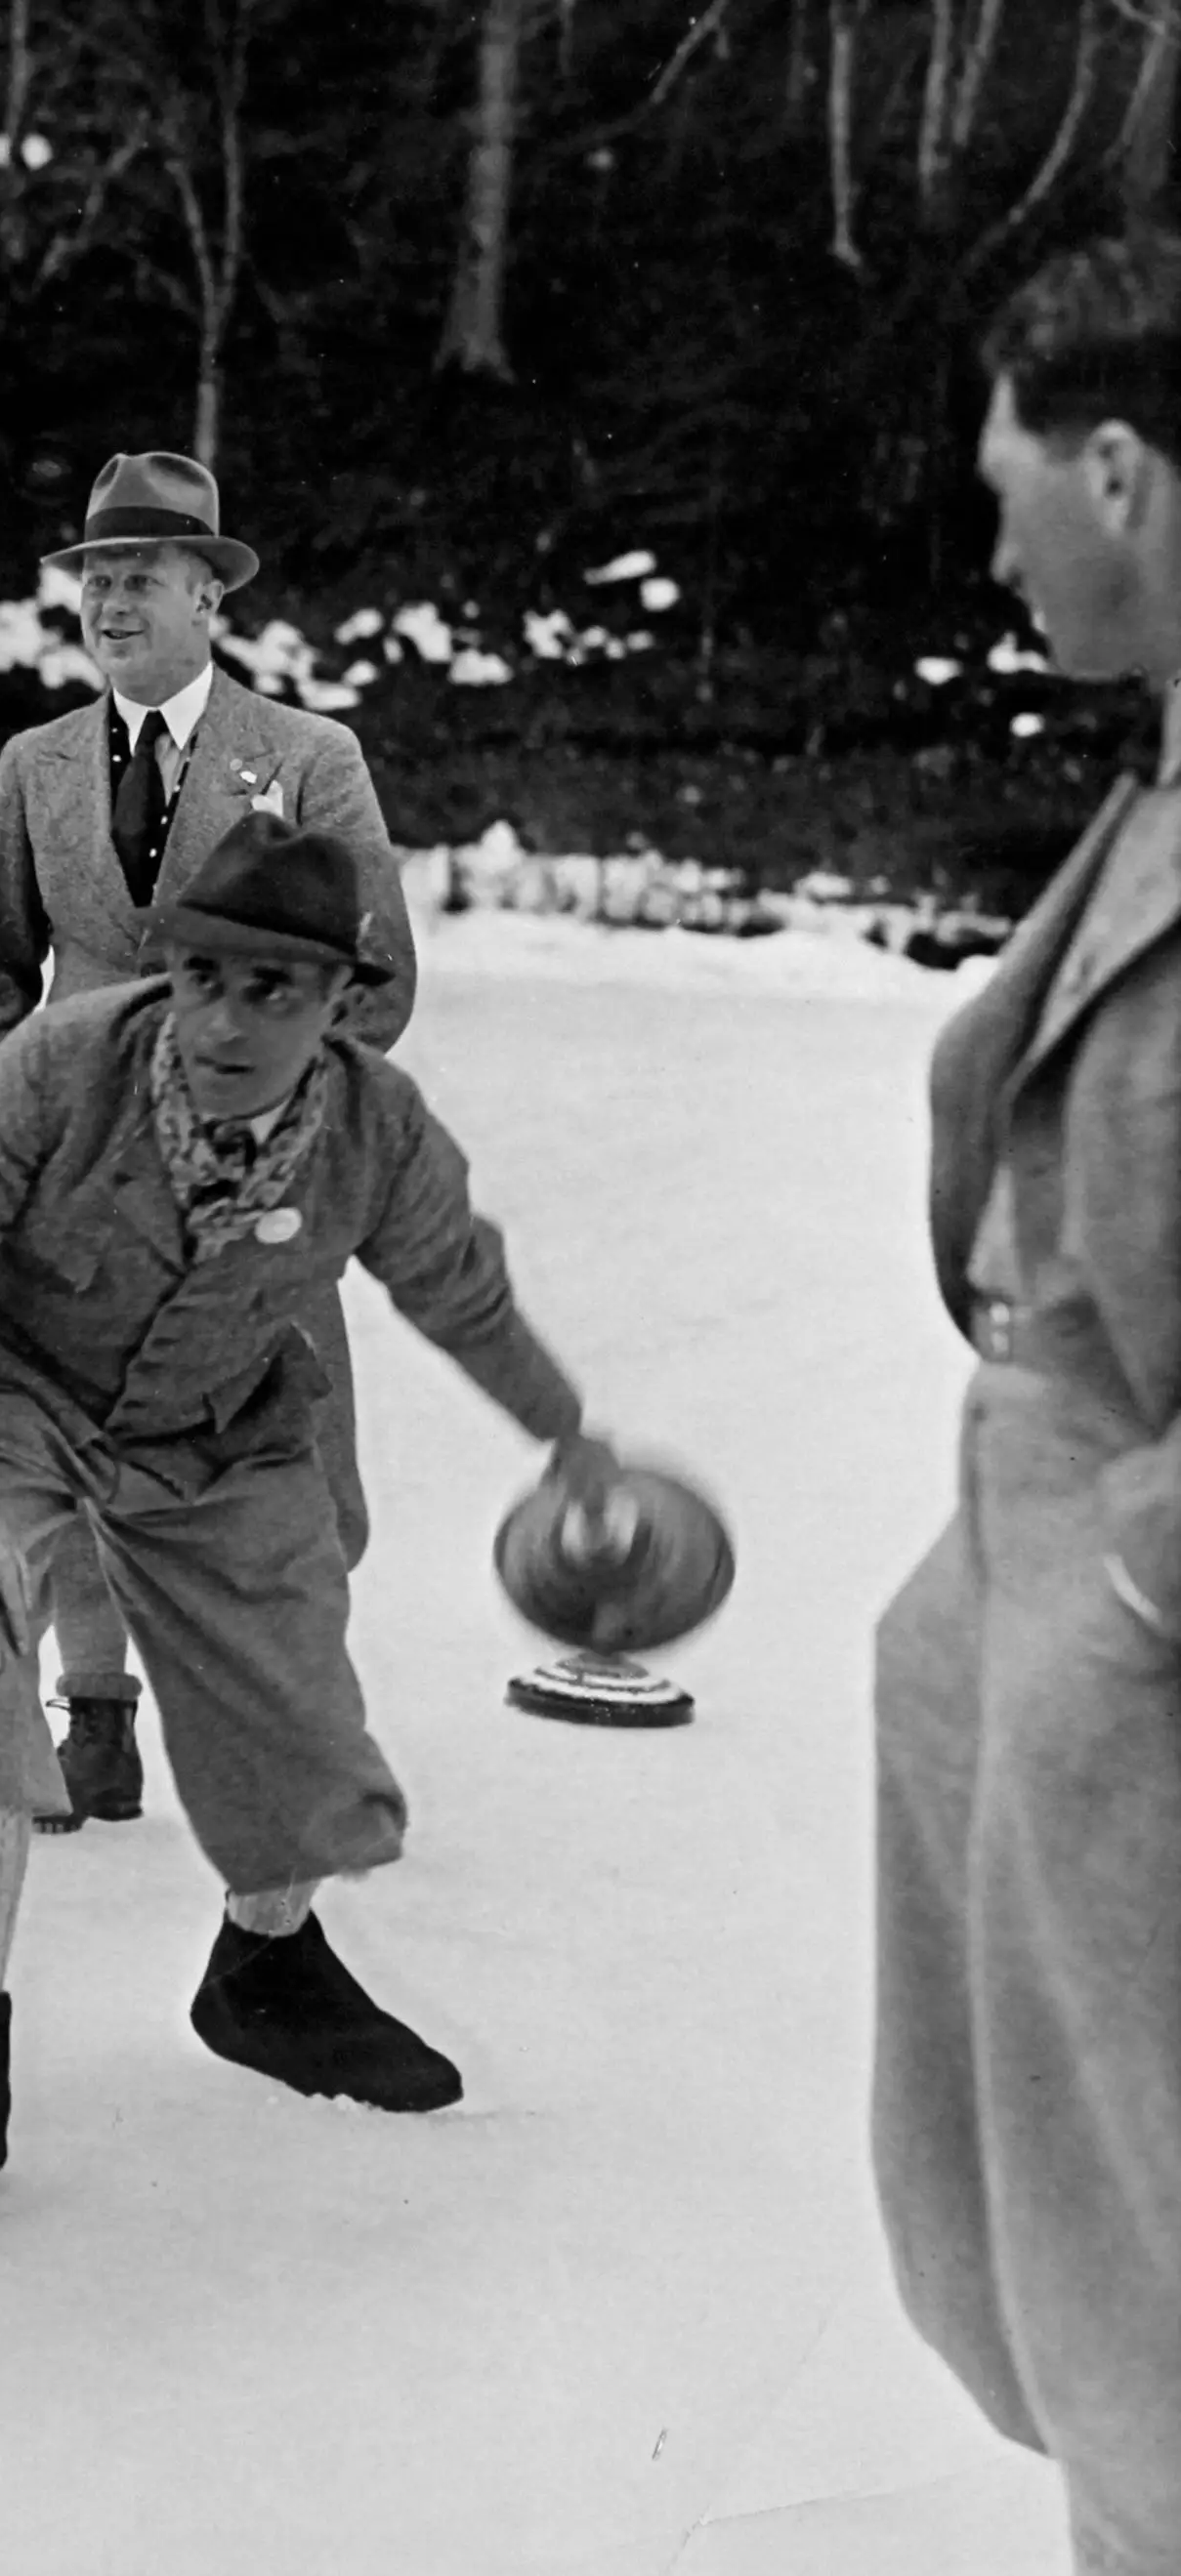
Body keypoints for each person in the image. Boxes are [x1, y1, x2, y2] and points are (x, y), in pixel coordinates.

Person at [0, 815, 630, 2227]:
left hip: (224, 1426)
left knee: (305, 1728)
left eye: (275, 990)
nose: (228, 1018)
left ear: (345, 1004)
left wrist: (568, 1436)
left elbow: (463, 1291)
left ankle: (263, 1973)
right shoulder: (61, 1068)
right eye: (204, 977)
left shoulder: (377, 1129)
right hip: (13, 1394)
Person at [872, 229, 1181, 2576]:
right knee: (1075, 2278)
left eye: (1013, 488)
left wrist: (1131, 1593)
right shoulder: (1159, 776)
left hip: (1139, 1630)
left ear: (1123, 467)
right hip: (1041, 1589)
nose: (994, 548)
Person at [0, 450, 421, 1829]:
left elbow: (378, 977)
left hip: (258, 1192)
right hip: (78, 1195)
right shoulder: (35, 767)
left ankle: (297, 1727)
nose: (110, 602)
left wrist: (272, 1124)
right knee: (56, 1453)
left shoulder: (308, 761)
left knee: (296, 1460)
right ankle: (94, 1714)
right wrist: (22, 1131)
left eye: (140, 577)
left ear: (207, 593)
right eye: (94, 578)